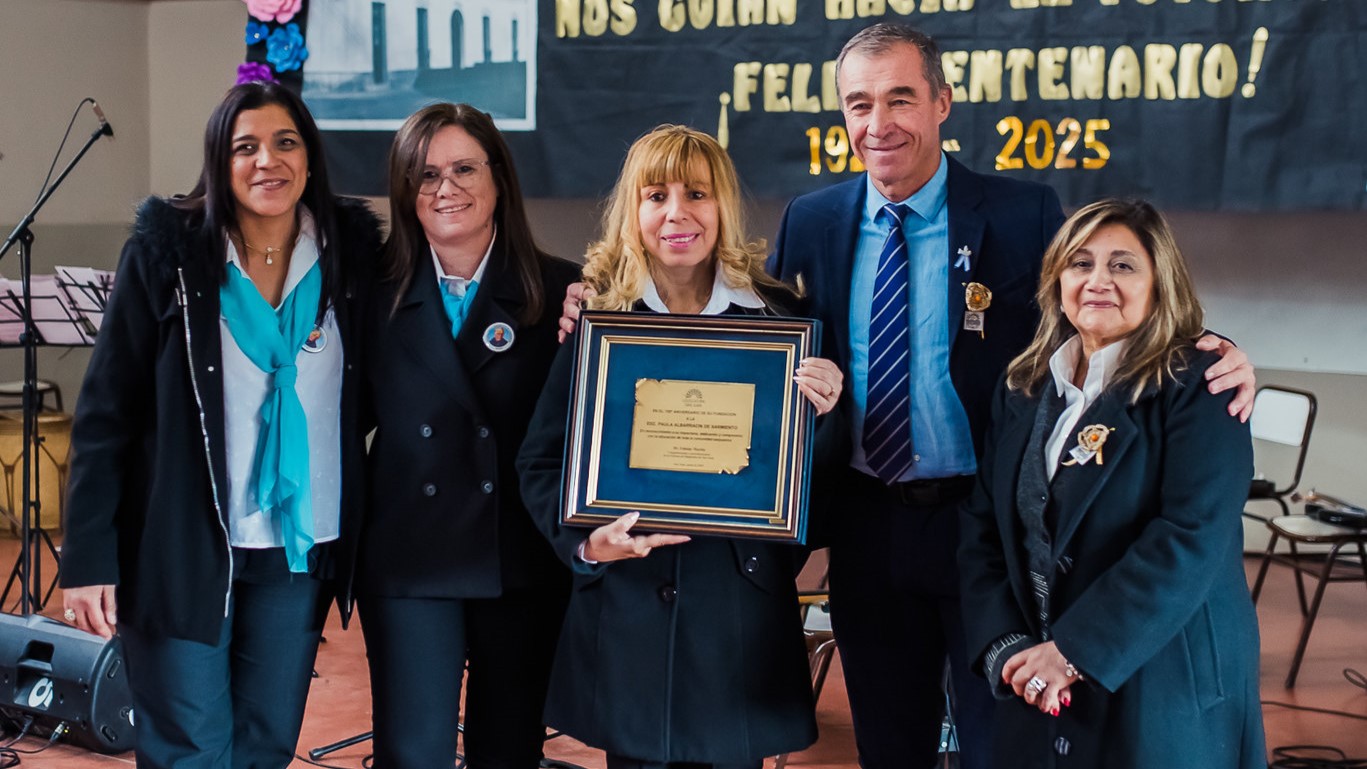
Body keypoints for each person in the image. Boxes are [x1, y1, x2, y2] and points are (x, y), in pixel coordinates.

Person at [761, 22, 1258, 769]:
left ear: (941, 103)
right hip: (866, 523)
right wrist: (592, 299)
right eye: (858, 104)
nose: (878, 123)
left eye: (900, 98)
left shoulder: (1022, 211)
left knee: (1007, 742)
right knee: (888, 740)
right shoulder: (812, 220)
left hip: (985, 525)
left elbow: (1099, 301)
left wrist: (1208, 344)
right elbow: (758, 340)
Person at [59, 82, 380, 769]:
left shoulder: (352, 263)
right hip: (182, 546)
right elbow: (104, 416)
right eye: (246, 147)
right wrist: (88, 561)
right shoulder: (166, 258)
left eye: (285, 142)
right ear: (219, 162)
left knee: (265, 744)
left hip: (299, 548)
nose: (268, 160)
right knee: (190, 749)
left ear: (311, 159)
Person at [517, 124, 842, 769]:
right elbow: (541, 462)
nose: (676, 213)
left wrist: (828, 416)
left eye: (696, 193)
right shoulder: (599, 323)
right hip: (628, 612)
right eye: (655, 195)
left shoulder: (781, 320)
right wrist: (585, 543)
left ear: (722, 204)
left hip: (737, 618)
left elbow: (820, 494)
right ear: (632, 212)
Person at [957, 198, 1265, 767]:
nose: (1098, 280)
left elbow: (1189, 538)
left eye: (1122, 265)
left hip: (1159, 681)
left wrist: (1071, 653)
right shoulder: (1024, 385)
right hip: (1037, 681)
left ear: (1159, 282)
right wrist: (1009, 650)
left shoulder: (1202, 383)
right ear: (1057, 281)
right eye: (1080, 264)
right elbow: (983, 529)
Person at [354, 103, 580, 769]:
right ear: (403, 191)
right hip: (409, 557)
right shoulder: (370, 293)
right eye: (425, 175)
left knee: (507, 751)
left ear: (499, 180)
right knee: (413, 749)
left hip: (521, 556)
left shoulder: (563, 290)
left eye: (462, 169)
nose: (444, 188)